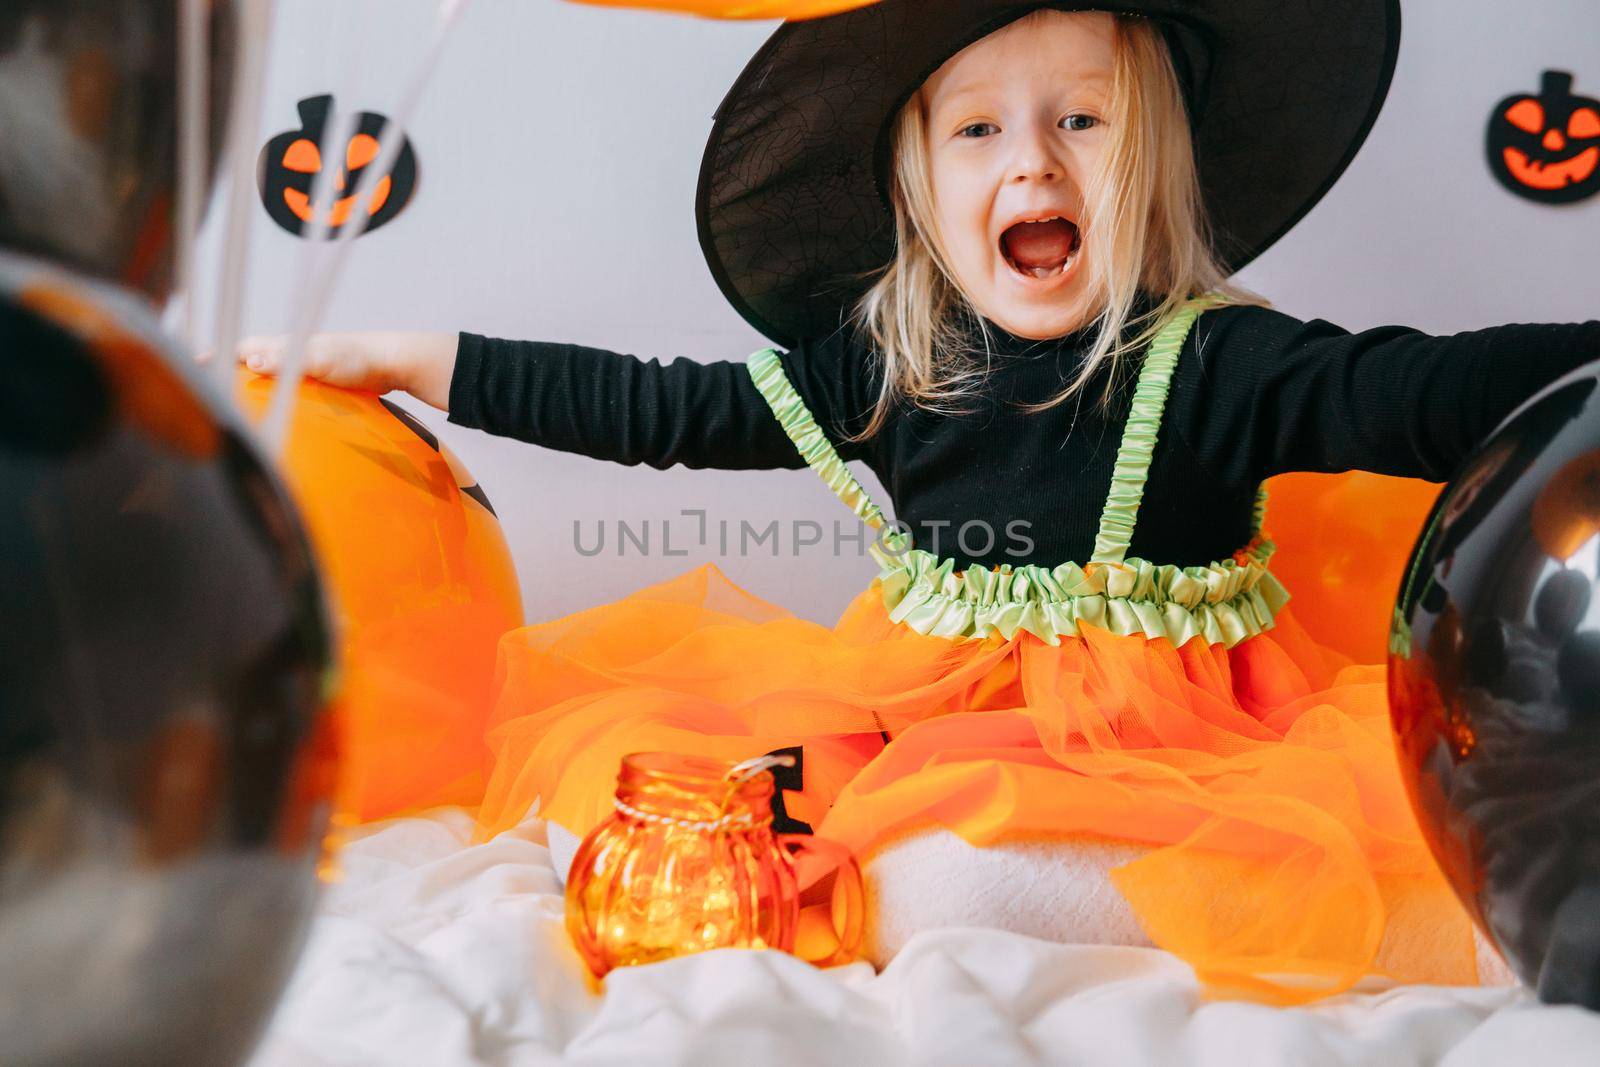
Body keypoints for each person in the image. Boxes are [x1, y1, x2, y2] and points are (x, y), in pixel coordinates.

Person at [242, 3, 1600, 1002]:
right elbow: (664, 410)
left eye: (1084, 119)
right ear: (920, 186)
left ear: (1156, 161)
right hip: (925, 708)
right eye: (979, 129)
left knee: (965, 876)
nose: (1035, 164)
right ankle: (907, 879)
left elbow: (1426, 391)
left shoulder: (1220, 360)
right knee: (689, 803)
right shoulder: (893, 369)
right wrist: (424, 358)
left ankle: (1104, 897)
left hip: (1167, 742)